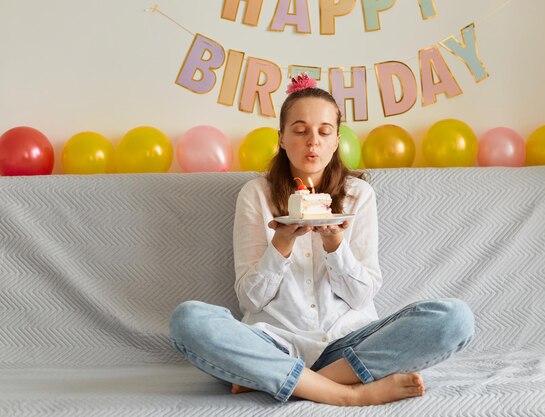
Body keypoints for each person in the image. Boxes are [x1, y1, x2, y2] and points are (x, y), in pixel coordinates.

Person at [169, 73, 474, 406]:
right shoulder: (255, 195)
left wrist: (335, 246)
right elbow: (249, 301)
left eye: (324, 131)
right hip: (274, 342)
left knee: (454, 318)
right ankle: (346, 394)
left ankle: (280, 378)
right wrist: (281, 244)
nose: (312, 141)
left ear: (335, 140)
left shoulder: (360, 196)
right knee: (189, 320)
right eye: (300, 131)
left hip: (348, 344)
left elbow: (363, 295)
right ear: (282, 138)